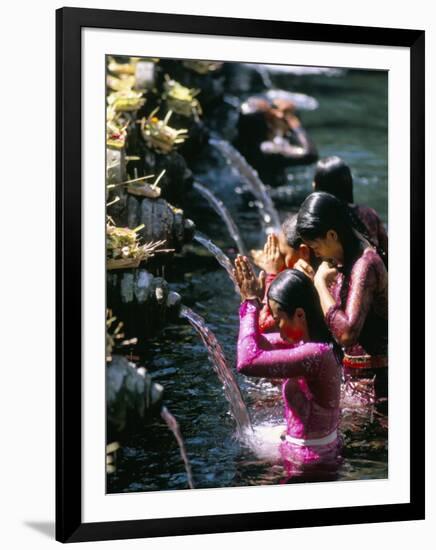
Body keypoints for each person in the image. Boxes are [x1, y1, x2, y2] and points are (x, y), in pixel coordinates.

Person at [234, 257, 342, 482]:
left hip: (309, 464)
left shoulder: (316, 353)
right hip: (309, 454)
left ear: (300, 315)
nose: (274, 324)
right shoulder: (311, 343)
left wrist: (251, 303)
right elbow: (255, 343)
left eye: (278, 318)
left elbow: (247, 360)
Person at [295, 192, 388, 398]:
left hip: (376, 391)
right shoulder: (344, 258)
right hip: (354, 382)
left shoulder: (365, 265)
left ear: (332, 235)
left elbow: (346, 334)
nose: (315, 253)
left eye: (316, 246)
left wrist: (319, 284)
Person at [312, 156, 388, 263]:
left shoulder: (322, 221)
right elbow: (386, 249)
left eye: (315, 181)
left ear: (320, 187)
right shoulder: (369, 213)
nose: (313, 184)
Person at [252, 216, 313, 333]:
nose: (279, 259)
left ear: (304, 252)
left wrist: (272, 275)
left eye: (283, 255)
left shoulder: (307, 286)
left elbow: (263, 326)